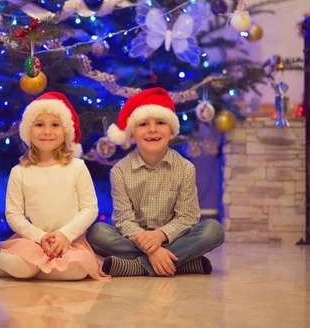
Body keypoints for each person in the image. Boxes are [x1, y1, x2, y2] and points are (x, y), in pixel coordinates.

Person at [87, 87, 224, 277]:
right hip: (135, 240)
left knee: (213, 230)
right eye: (143, 124)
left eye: (160, 122)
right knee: (97, 233)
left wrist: (159, 237)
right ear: (132, 135)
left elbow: (187, 217)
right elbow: (124, 220)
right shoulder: (119, 171)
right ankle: (180, 263)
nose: (152, 129)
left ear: (172, 132)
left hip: (173, 238)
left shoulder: (185, 168)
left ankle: (138, 266)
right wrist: (151, 248)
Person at [0, 92, 106, 281]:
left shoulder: (77, 167)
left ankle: (13, 270)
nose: (47, 131)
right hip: (32, 241)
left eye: (55, 125)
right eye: (39, 125)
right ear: (28, 131)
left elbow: (89, 208)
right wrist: (40, 237)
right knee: (26, 264)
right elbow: (14, 215)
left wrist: (65, 235)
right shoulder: (20, 171)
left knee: (76, 270)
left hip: (69, 241)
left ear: (65, 131)